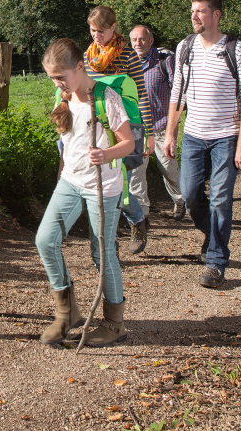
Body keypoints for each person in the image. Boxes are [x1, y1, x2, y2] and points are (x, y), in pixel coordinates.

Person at [35, 37, 138, 346]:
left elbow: (128, 143)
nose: (57, 83)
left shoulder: (106, 99)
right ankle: (67, 314)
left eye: (61, 77)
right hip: (70, 182)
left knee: (102, 252)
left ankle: (114, 323)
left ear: (80, 67)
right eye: (52, 78)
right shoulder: (62, 96)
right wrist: (61, 177)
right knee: (45, 240)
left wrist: (106, 155)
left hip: (103, 187)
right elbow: (66, 145)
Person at [163, 0, 241, 289]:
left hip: (225, 138)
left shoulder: (236, 49)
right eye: (192, 11)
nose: (194, 16)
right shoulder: (185, 47)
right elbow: (178, 91)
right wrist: (170, 132)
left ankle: (216, 262)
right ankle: (213, 233)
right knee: (190, 196)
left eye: (200, 11)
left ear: (216, 15)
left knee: (220, 198)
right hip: (193, 135)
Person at [84, 6, 152, 254]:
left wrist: (149, 134)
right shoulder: (87, 56)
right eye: (92, 31)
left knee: (117, 182)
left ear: (113, 27)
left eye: (101, 31)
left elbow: (142, 96)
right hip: (94, 126)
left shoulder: (128, 56)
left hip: (122, 127)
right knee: (97, 182)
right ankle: (108, 241)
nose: (96, 36)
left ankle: (135, 220)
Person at [128, 24, 186, 220]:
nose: (138, 43)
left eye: (142, 39)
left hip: (161, 127)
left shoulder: (165, 61)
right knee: (136, 175)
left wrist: (173, 128)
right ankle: (141, 216)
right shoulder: (127, 63)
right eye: (134, 40)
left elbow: (178, 94)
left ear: (151, 41)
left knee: (169, 170)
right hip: (136, 129)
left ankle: (180, 200)